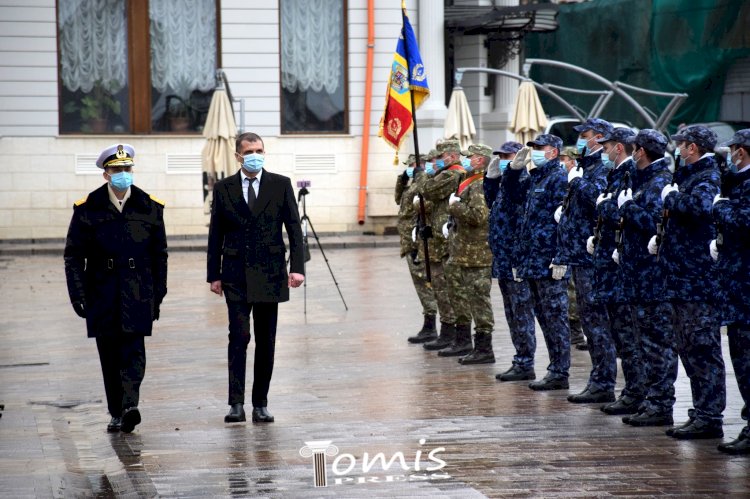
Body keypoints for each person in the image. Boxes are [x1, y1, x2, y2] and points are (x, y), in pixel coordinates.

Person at [64, 143, 168, 434]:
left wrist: (158, 294)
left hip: (138, 290)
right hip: (102, 290)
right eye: (117, 170)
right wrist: (78, 294)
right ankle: (116, 411)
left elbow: (160, 254)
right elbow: (73, 256)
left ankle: (130, 405)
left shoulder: (149, 205)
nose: (123, 174)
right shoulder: (88, 208)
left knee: (134, 350)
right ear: (105, 174)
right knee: (109, 354)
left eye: (127, 169)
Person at [207, 132, 305, 424]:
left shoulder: (280, 184)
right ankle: (236, 403)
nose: (255, 155)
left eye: (260, 150)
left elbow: (295, 230)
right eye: (249, 151)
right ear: (238, 155)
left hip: (270, 272)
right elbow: (216, 234)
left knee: (266, 340)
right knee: (238, 336)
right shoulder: (224, 188)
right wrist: (214, 274)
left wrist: (297, 267)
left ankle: (260, 403)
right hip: (235, 273)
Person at [656, 125, 725, 439]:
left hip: (697, 279)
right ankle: (701, 411)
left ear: (693, 147)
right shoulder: (687, 176)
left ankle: (710, 415)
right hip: (681, 277)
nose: (679, 150)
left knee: (702, 347)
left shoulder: (708, 176)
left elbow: (699, 208)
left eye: (682, 144)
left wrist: (672, 199)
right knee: (687, 346)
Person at [616, 129, 677, 427]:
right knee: (643, 342)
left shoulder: (659, 182)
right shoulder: (642, 180)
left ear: (640, 152)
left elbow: (655, 223)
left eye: (635, 149)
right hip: (636, 275)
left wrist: (628, 208)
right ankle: (650, 399)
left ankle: (661, 403)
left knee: (657, 344)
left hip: (652, 278)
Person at [556, 118, 617, 405]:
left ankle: (604, 381)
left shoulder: (601, 167)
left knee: (597, 321)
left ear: (600, 137)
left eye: (587, 135)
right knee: (589, 320)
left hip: (592, 256)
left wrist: (577, 181)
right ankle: (599, 378)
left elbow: (597, 199)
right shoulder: (584, 164)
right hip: (578, 255)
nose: (581, 139)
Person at [504, 134, 571, 391]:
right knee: (544, 318)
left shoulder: (558, 178)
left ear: (553, 152)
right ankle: (555, 369)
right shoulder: (536, 177)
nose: (535, 153)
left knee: (556, 319)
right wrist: (513, 171)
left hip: (549, 262)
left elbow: (564, 221)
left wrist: (560, 257)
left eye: (539, 148)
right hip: (533, 261)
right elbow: (512, 196)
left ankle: (560, 371)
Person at [590, 128, 643, 416]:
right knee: (620, 332)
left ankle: (636, 391)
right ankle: (633, 390)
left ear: (619, 147)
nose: (604, 151)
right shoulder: (616, 173)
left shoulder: (628, 173)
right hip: (610, 262)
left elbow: (622, 213)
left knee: (627, 332)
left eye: (607, 146)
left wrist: (606, 207)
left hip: (621, 265)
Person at [484, 141, 538, 381]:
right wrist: (491, 179)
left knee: (522, 311)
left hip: (516, 258)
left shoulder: (524, 182)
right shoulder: (505, 182)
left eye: (508, 155)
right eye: (502, 155)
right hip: (503, 258)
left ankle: (526, 362)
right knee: (511, 312)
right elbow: (492, 203)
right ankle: (520, 358)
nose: (504, 159)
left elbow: (517, 200)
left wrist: (514, 173)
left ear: (519, 157)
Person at [712, 128, 750, 454]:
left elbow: (743, 221)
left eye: (735, 150)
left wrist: (721, 206)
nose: (732, 155)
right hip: (737, 284)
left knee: (746, 357)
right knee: (740, 354)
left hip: (745, 286)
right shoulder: (738, 181)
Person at [446, 143, 495, 364]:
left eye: (470, 157)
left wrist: (455, 206)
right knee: (472, 299)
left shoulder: (479, 185)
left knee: (479, 300)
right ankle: (474, 344)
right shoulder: (468, 182)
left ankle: (485, 349)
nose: (465, 160)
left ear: (479, 160)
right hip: (467, 252)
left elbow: (478, 216)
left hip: (478, 254)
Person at [419, 140, 464, 354]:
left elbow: (427, 190)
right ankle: (448, 331)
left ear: (452, 156)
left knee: (448, 287)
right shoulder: (445, 174)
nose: (436, 162)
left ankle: (453, 332)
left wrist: (424, 176)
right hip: (438, 237)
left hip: (447, 241)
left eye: (440, 157)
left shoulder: (453, 174)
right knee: (440, 285)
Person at [399, 153, 439, 344]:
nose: (412, 167)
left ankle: (431, 324)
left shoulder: (426, 183)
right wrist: (402, 179)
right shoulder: (411, 184)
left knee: (425, 283)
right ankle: (429, 322)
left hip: (417, 240)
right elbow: (398, 199)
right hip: (408, 240)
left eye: (416, 164)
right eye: (410, 165)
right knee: (419, 283)